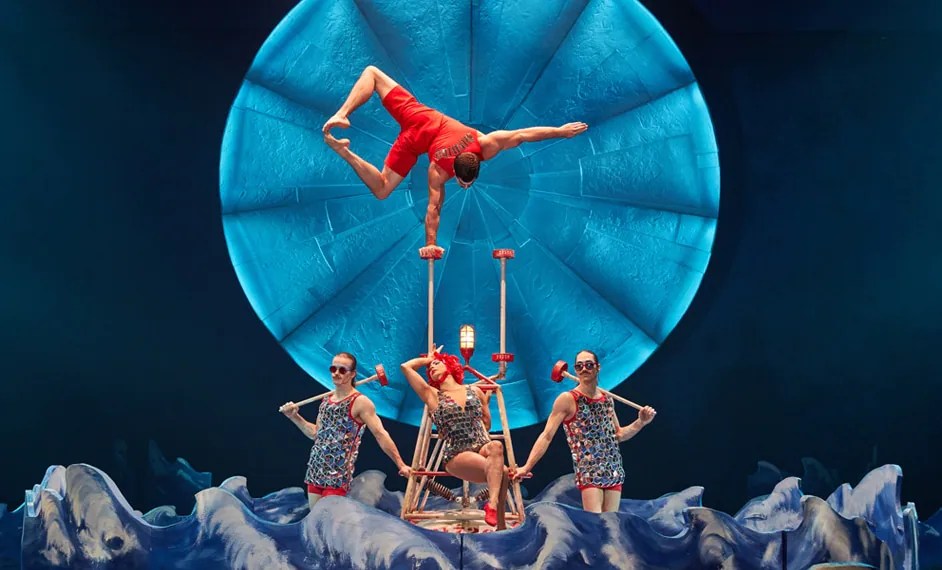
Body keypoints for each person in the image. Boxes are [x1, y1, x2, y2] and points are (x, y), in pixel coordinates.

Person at [322, 65, 589, 258]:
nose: (464, 185)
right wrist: (430, 244)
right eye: (463, 182)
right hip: (415, 138)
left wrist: (560, 131)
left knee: (372, 73)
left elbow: (523, 135)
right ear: (459, 175)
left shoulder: (482, 145)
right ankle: (345, 152)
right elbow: (434, 208)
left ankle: (342, 114)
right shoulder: (441, 169)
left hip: (421, 118)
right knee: (382, 189)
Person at [514, 350, 657, 513]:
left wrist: (641, 422)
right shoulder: (567, 399)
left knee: (611, 523)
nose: (584, 369)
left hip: (613, 469)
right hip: (589, 471)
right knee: (595, 523)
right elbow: (546, 436)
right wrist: (527, 467)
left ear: (597, 367)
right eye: (579, 366)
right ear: (575, 370)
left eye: (589, 365)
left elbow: (618, 435)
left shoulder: (607, 398)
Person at [280, 352, 411, 509]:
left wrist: (400, 464)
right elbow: (315, 434)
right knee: (314, 520)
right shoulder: (326, 402)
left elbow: (380, 434)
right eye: (333, 369)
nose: (336, 373)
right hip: (315, 472)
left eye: (342, 370)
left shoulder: (361, 402)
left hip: (338, 477)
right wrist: (294, 417)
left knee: (329, 520)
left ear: (353, 374)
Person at [400, 349, 505, 526]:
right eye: (429, 368)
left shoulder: (475, 391)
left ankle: (493, 506)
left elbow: (487, 424)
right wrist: (428, 359)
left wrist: (484, 408)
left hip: (482, 445)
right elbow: (406, 367)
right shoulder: (433, 395)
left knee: (496, 446)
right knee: (502, 472)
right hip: (457, 453)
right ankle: (496, 513)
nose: (432, 368)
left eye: (436, 363)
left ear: (449, 366)